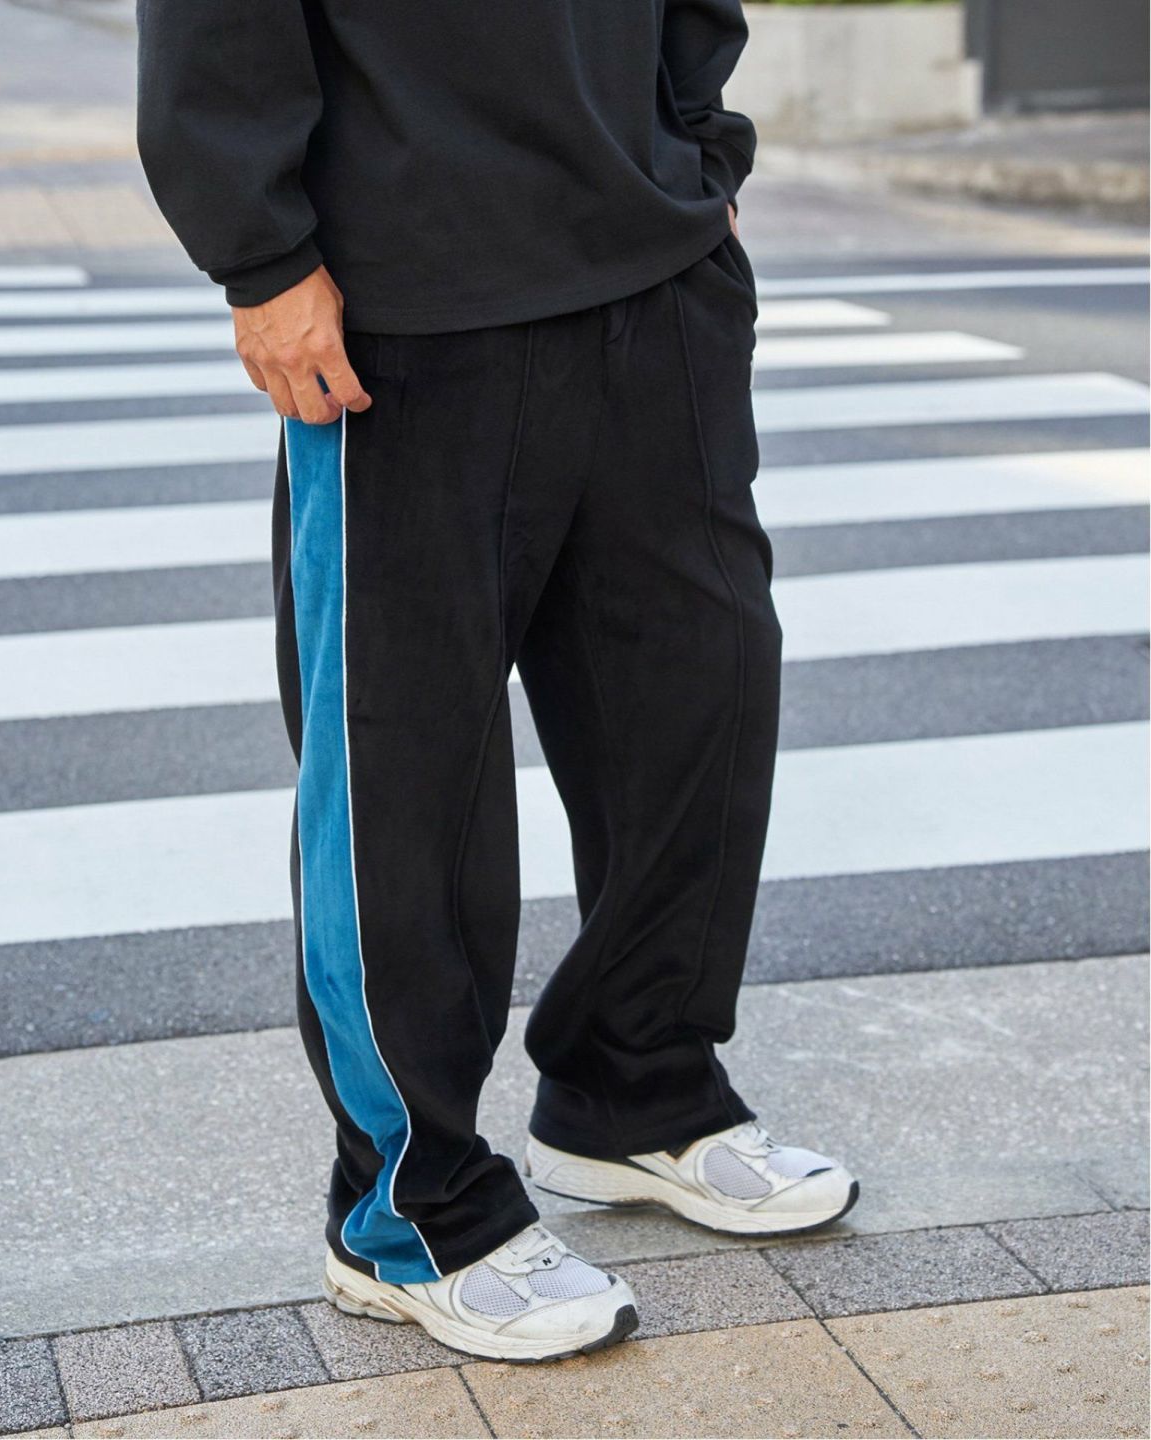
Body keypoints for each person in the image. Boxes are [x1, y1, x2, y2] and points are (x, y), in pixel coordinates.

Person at [136, 0, 857, 1364]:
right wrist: (263, 254)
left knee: (701, 696)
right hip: (399, 303)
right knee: (407, 769)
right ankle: (410, 1208)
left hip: (655, 260)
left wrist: (700, 149)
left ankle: (636, 1086)